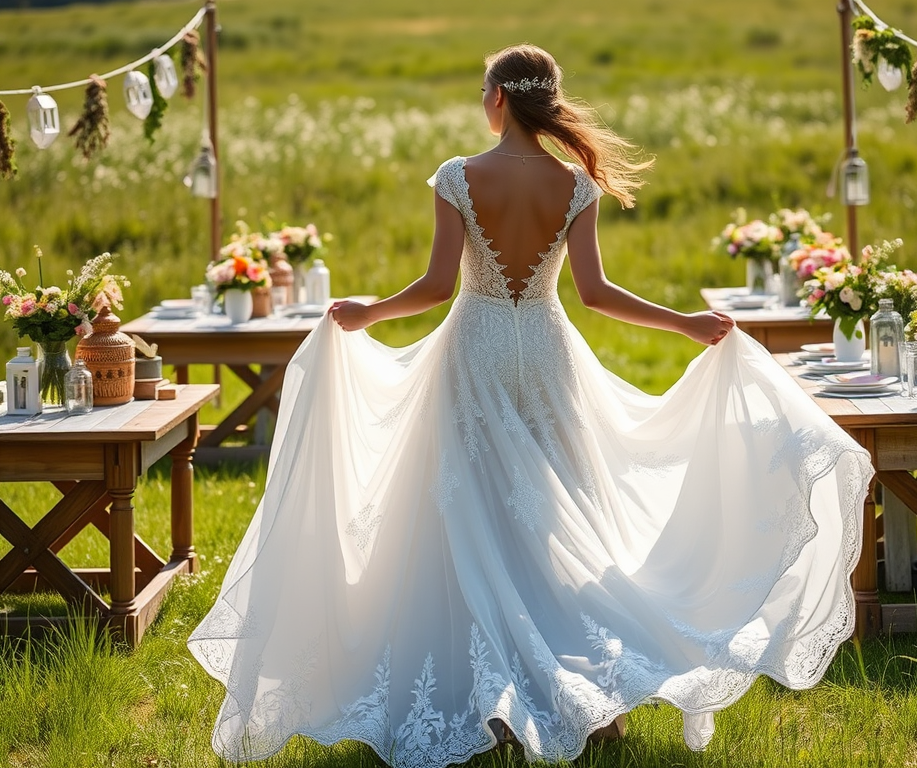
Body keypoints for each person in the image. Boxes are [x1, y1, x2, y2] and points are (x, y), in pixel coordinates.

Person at [189, 44, 873, 768]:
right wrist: (686, 323)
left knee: (475, 511)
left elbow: (431, 288)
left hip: (477, 346)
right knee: (554, 514)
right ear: (544, 101)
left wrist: (367, 310)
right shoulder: (575, 185)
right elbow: (599, 295)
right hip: (547, 351)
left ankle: (503, 693)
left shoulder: (459, 176)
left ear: (496, 100)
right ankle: (587, 687)